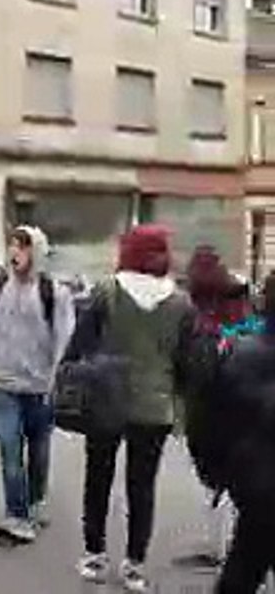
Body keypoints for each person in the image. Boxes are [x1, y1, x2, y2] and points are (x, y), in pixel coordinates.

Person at [74, 225, 197, 593]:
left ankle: (95, 554)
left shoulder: (106, 292)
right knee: (142, 488)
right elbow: (186, 362)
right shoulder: (181, 303)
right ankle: (135, 565)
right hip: (155, 408)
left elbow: (81, 343)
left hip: (105, 400)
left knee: (98, 478)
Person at [0, 226, 75, 543]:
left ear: (36, 252)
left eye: (23, 247)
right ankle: (17, 516)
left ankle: (35, 502)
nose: (15, 253)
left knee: (38, 451)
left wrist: (57, 380)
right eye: (12, 245)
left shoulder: (55, 293)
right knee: (10, 449)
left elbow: (63, 341)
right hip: (3, 383)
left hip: (40, 387)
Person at [185, 271, 275, 593]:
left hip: (256, 493)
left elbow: (206, 425)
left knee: (242, 570)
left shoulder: (238, 357)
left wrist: (217, 474)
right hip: (257, 489)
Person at [176, 245, 249, 572]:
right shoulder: (241, 312)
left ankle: (222, 547)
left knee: (218, 480)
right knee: (232, 480)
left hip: (209, 406)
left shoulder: (198, 317)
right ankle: (226, 545)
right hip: (239, 403)